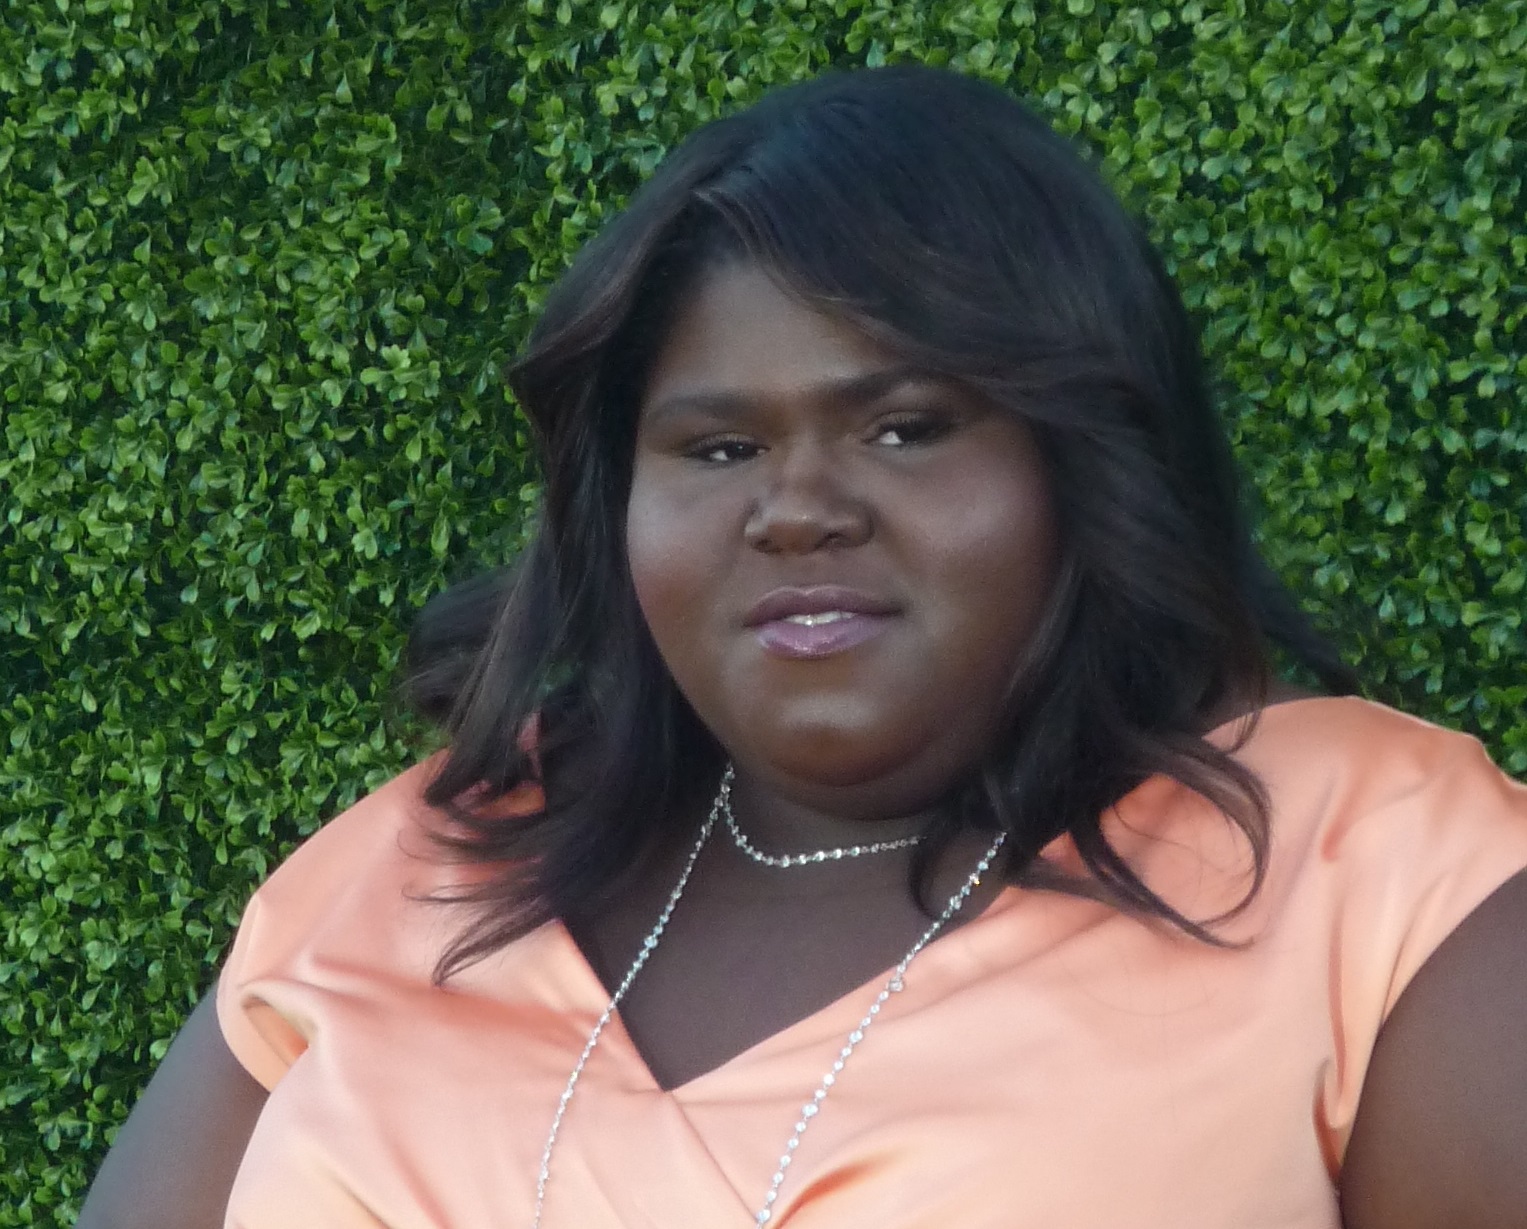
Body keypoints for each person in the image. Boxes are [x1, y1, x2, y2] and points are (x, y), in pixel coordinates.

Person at [77, 65, 1527, 1229]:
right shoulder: (416, 864)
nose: (798, 510)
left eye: (905, 427)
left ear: (1085, 461)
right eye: (717, 445)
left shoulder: (1379, 879)